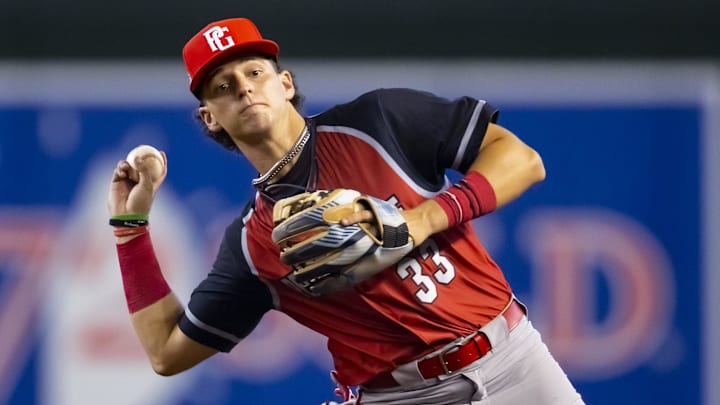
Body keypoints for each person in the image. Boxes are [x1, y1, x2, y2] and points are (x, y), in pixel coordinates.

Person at [107, 17, 585, 405]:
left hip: (515, 363)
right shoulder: (254, 246)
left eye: (255, 73)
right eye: (223, 85)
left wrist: (422, 219)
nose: (244, 89)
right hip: (404, 397)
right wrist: (131, 227)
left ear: (285, 83)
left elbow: (523, 160)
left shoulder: (377, 123)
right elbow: (166, 352)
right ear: (210, 117)